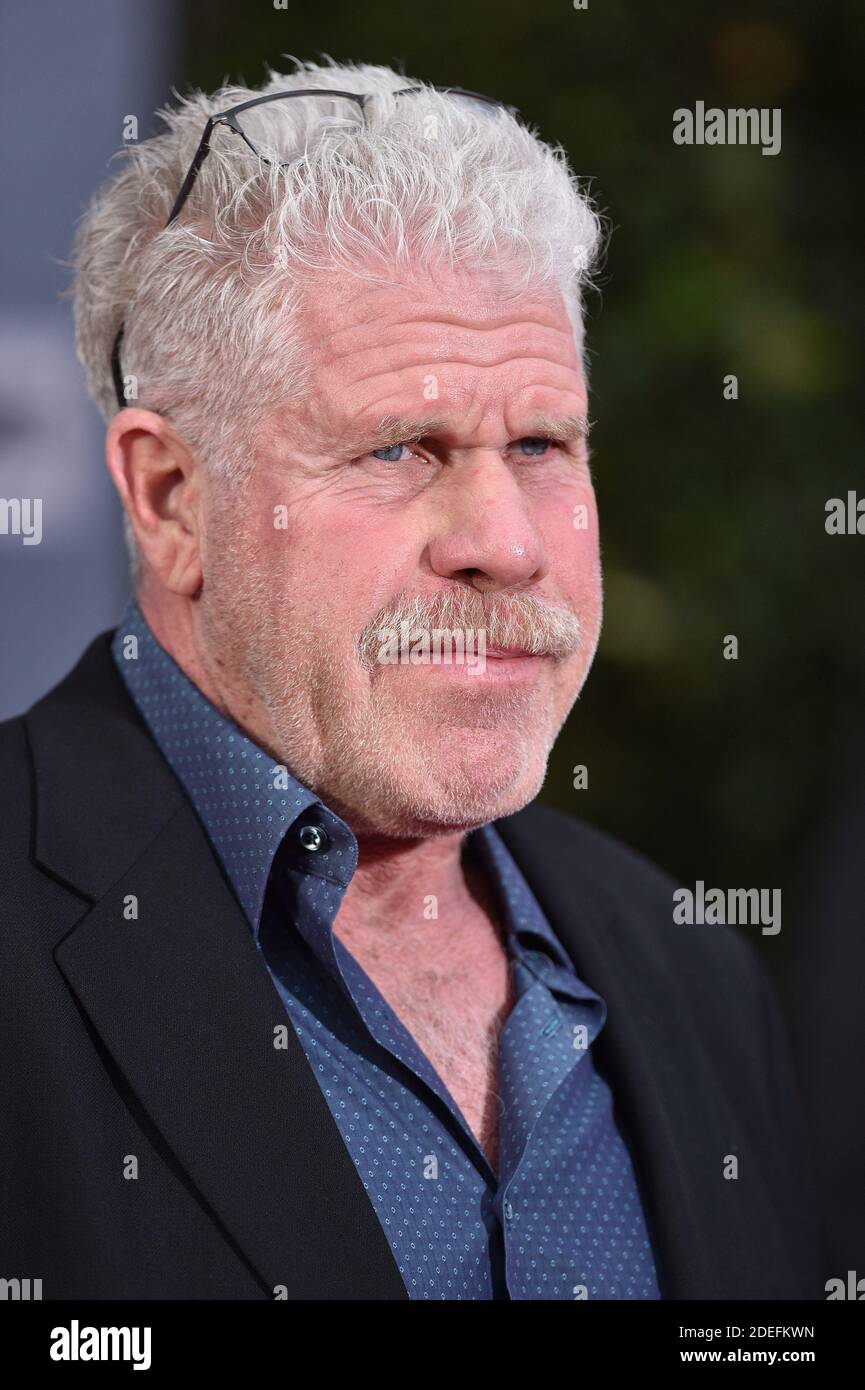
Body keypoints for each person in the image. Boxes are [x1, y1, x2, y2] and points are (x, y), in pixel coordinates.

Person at [0, 59, 821, 1300]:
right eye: (399, 446)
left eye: (542, 443)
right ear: (172, 499)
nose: (506, 540)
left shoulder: (687, 965)